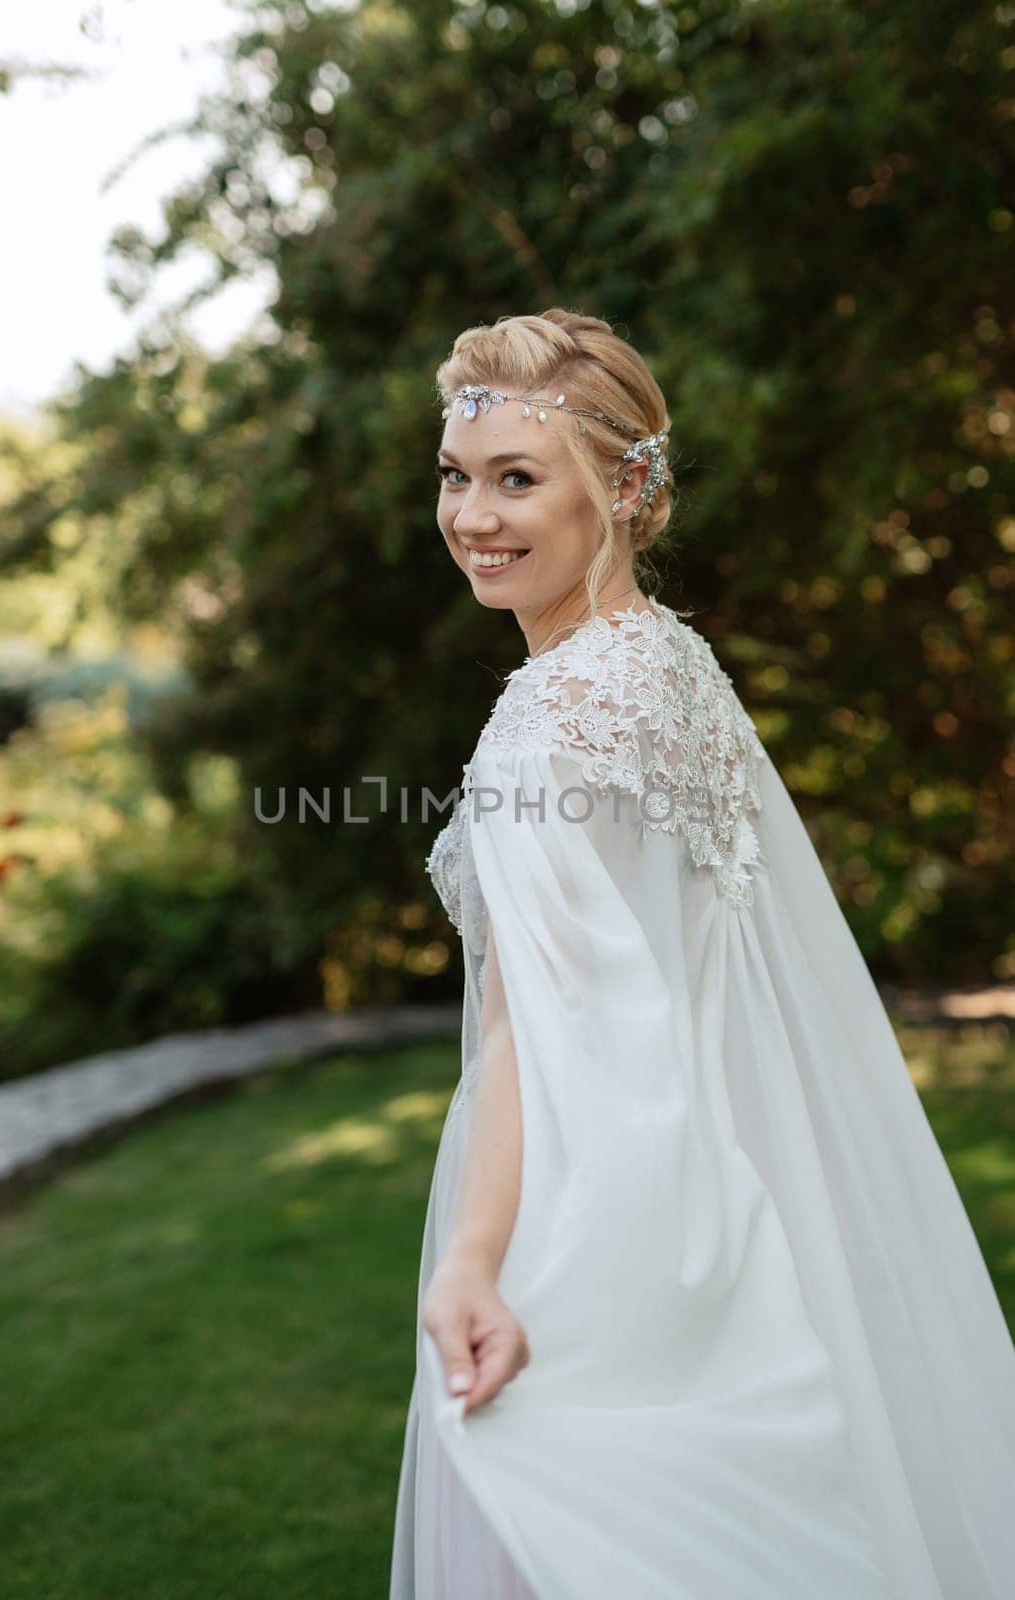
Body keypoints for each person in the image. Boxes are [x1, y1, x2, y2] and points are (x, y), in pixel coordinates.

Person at [388, 309, 1015, 1599]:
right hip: (735, 1161)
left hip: (584, 1195)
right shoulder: (672, 663)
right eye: (458, 476)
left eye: (518, 478)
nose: (474, 516)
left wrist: (470, 1256)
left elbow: (526, 1023)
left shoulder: (545, 725)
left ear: (622, 488)